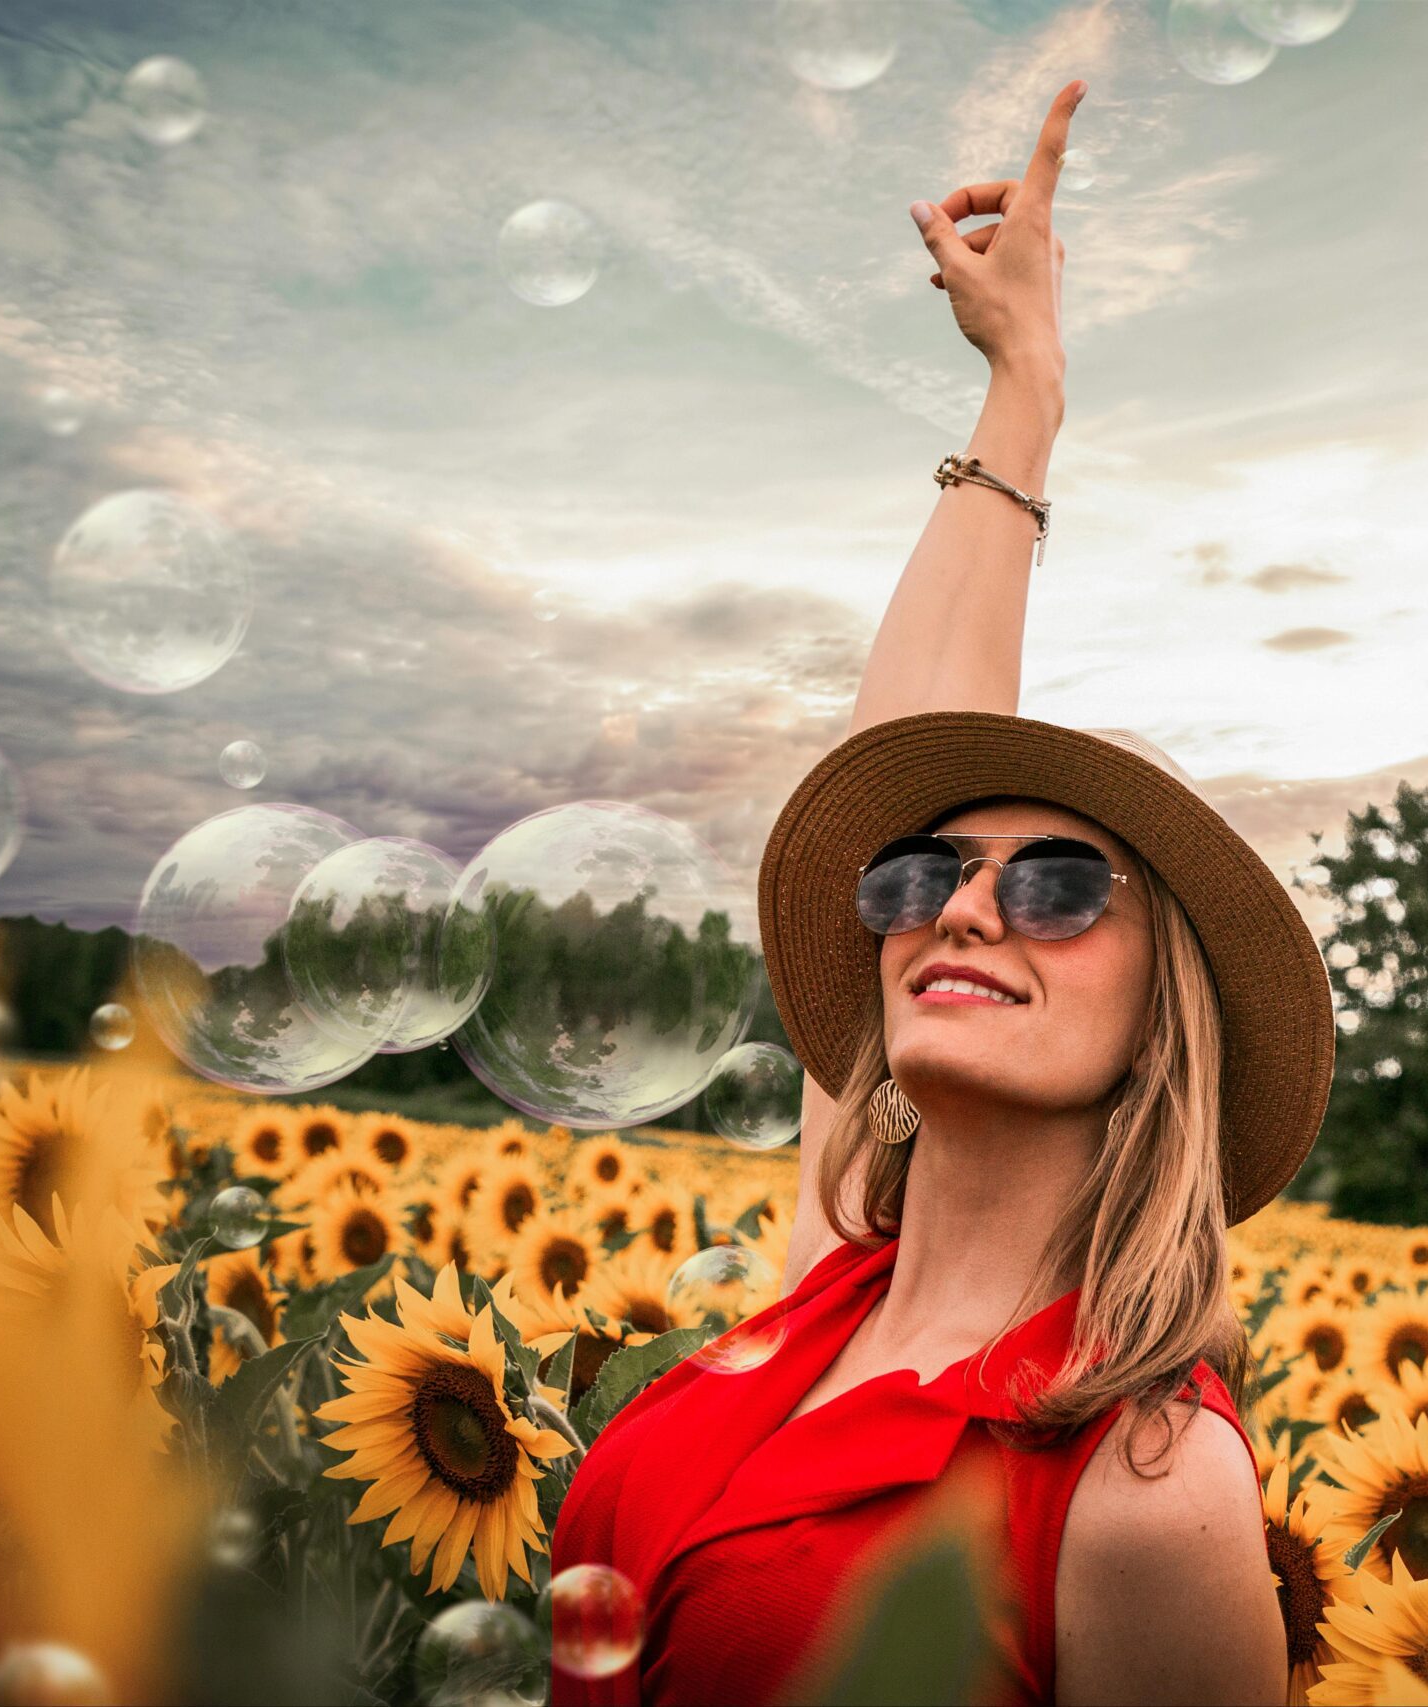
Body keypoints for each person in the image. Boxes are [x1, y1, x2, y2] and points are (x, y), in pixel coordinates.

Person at [550, 80, 1334, 1707]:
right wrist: (1023, 393)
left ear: (1161, 1019)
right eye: (927, 875)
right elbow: (903, 740)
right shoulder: (832, 1280)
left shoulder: (1143, 1483)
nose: (964, 911)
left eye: (1056, 885)